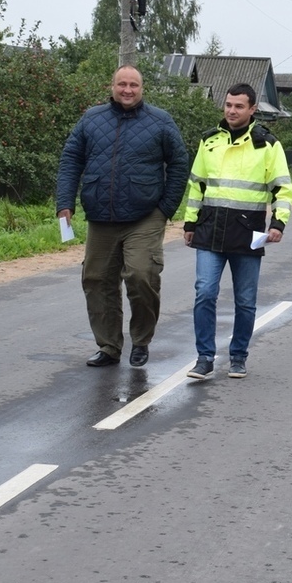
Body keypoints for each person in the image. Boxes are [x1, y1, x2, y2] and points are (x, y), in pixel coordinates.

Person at [57, 65, 189, 368]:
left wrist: (165, 208)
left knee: (141, 274)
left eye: (133, 85)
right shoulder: (92, 119)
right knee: (96, 280)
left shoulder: (160, 121)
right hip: (101, 216)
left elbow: (179, 163)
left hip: (145, 215)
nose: (127, 90)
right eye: (122, 84)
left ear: (142, 89)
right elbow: (70, 159)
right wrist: (65, 201)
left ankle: (140, 341)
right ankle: (109, 346)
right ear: (112, 86)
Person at [183, 83, 292, 381]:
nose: (232, 110)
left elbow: (283, 188)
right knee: (204, 293)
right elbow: (196, 185)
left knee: (245, 300)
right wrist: (190, 223)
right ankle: (204, 358)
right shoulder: (208, 142)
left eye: (239, 106)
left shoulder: (268, 145)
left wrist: (278, 223)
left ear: (252, 109)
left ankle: (238, 356)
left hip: (247, 233)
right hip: (209, 231)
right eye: (228, 105)